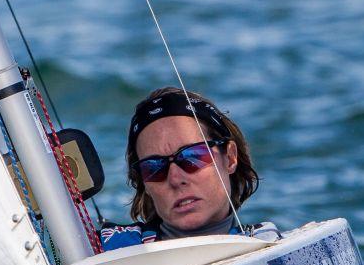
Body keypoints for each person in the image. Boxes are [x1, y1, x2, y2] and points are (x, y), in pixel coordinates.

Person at [100, 87, 279, 251]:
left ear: (230, 158)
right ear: (144, 183)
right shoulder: (108, 248)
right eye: (154, 167)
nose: (176, 179)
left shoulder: (269, 245)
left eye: (192, 156)